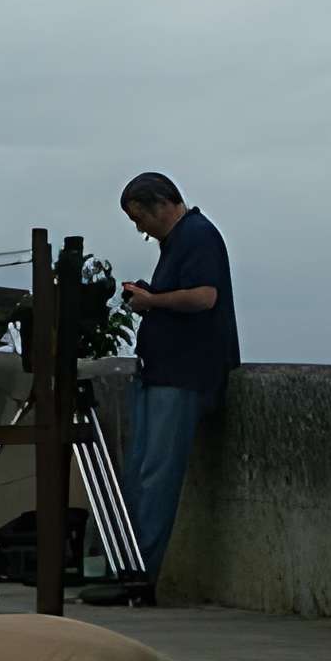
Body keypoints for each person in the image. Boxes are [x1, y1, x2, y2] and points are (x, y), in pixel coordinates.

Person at [87, 171, 238, 608]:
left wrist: (152, 302)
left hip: (184, 375)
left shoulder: (198, 235)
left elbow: (205, 296)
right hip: (161, 372)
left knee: (157, 476)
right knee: (139, 473)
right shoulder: (178, 241)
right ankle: (129, 567)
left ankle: (141, 576)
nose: (141, 228)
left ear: (161, 204)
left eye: (140, 218)